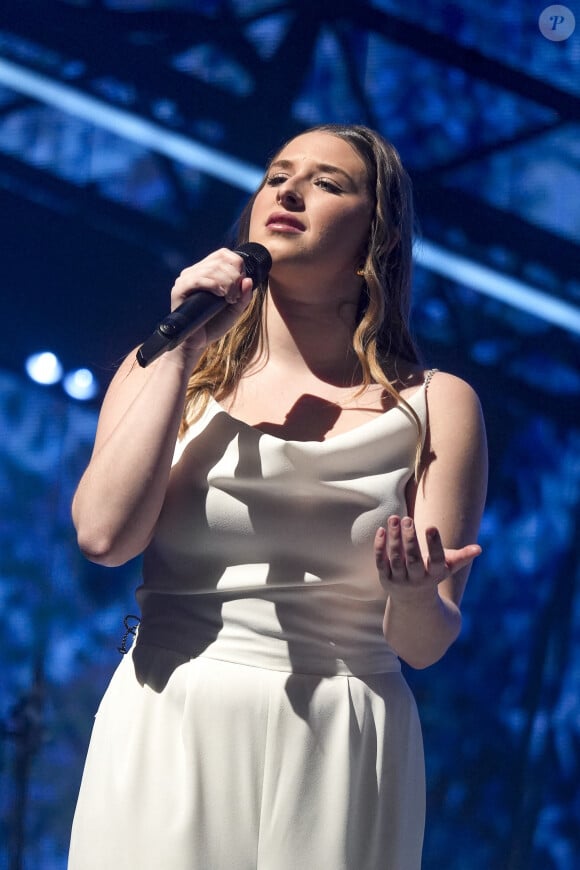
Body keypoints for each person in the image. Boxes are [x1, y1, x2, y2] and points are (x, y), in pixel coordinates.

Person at [68, 124, 487, 870]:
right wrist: (183, 350)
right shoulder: (164, 366)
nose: (288, 192)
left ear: (376, 241)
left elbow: (422, 647)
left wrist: (416, 595)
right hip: (173, 710)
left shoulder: (438, 405)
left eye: (327, 183)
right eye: (276, 175)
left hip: (341, 729)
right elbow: (103, 538)